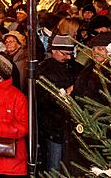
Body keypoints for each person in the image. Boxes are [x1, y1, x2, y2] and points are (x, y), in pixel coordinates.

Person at [37, 35, 82, 173]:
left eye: (71, 54)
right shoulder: (43, 69)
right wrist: (62, 94)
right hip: (53, 127)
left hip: (75, 127)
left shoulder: (78, 68)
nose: (69, 57)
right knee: (54, 166)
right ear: (53, 50)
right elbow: (40, 98)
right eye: (65, 54)